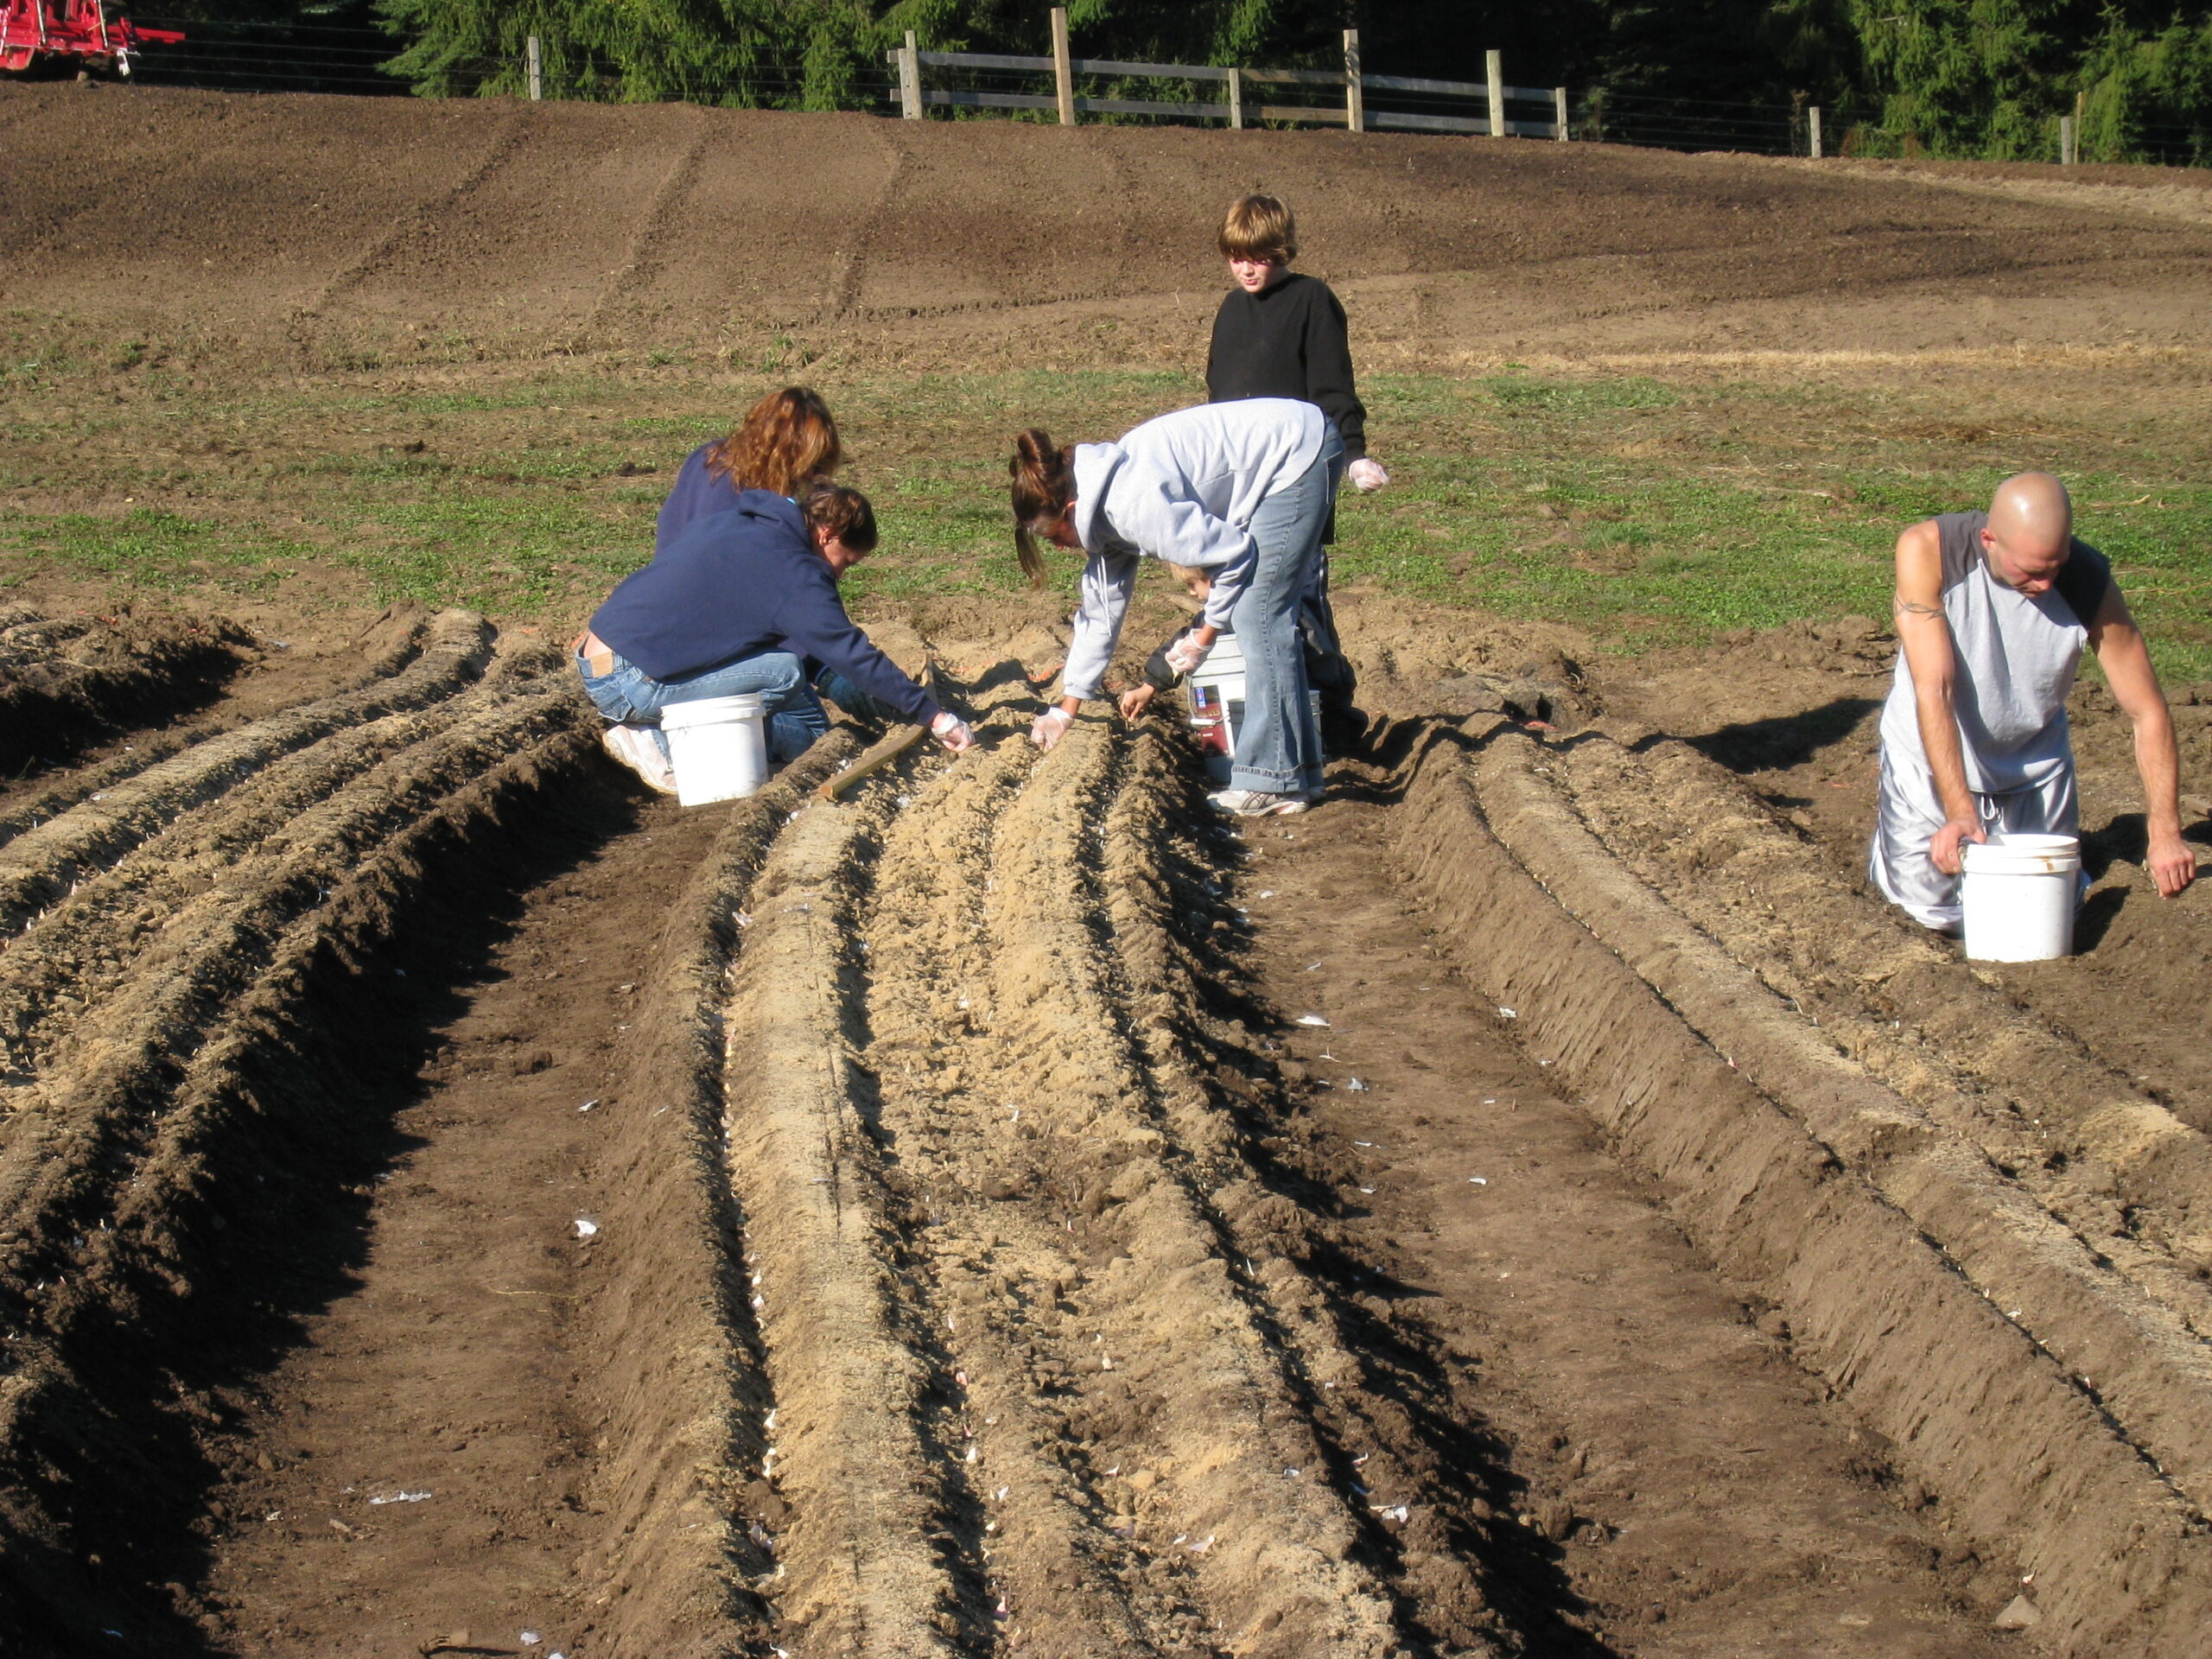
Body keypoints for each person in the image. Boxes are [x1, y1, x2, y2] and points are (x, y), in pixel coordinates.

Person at [1871, 471, 2196, 930]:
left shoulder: (2087, 580)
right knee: (1928, 916)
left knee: (2043, 915)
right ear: (1989, 539)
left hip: (2033, 766)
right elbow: (1934, 689)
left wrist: (2165, 834)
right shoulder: (1930, 552)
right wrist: (1960, 812)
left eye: (2055, 568)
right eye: (2032, 571)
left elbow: (2148, 710)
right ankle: (1891, 858)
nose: (2045, 585)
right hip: (1930, 759)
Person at [1010, 397, 1341, 817]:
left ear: (1072, 509)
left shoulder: (1133, 506)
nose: (1058, 546)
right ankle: (1298, 778)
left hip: (1295, 452)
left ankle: (1271, 782)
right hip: (1284, 450)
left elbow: (1235, 556)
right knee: (1260, 614)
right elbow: (1100, 615)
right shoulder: (1103, 511)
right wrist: (1066, 708)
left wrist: (1205, 636)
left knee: (1259, 615)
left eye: (1055, 535)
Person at [578, 481, 973, 794]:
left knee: (795, 719)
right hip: (629, 680)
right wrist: (934, 716)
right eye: (847, 562)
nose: (841, 575)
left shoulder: (742, 521)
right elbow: (849, 651)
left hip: (602, 653)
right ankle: (656, 739)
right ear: (829, 535)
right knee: (783, 672)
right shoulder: (794, 572)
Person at [1205, 193, 1376, 740]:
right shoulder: (1231, 311)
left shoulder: (1312, 301)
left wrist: (1352, 455)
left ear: (1281, 250)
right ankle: (1265, 726)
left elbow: (1333, 387)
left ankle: (1337, 720)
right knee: (1249, 611)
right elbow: (1218, 407)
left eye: (1258, 256)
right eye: (1236, 257)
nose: (1246, 268)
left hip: (1298, 479)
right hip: (1241, 488)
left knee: (1300, 607)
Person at [654, 386, 842, 556]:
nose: (809, 476)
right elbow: (715, 557)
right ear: (781, 454)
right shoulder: (726, 488)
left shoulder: (710, 456)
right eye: (807, 465)